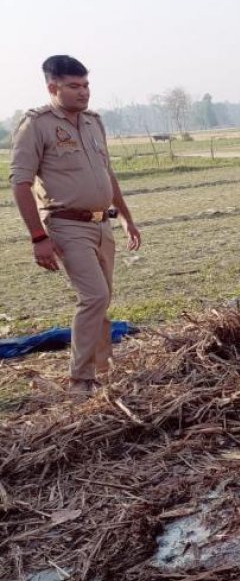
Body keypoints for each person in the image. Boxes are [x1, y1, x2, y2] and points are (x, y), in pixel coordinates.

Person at [9, 55, 141, 394]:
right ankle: (80, 381)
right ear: (52, 87)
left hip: (101, 225)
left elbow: (106, 174)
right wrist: (38, 237)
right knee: (93, 296)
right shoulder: (35, 125)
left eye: (86, 85)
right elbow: (20, 183)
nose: (84, 93)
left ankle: (103, 368)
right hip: (66, 225)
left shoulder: (93, 122)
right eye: (74, 86)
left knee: (103, 297)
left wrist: (126, 217)